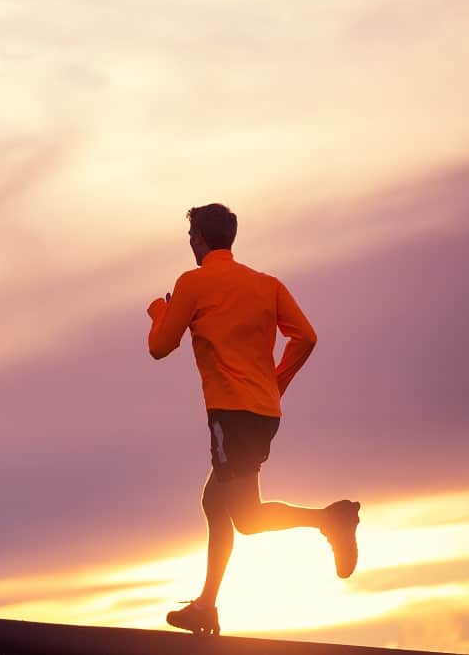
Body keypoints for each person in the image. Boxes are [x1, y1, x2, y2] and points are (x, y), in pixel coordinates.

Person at [146, 203, 360, 636]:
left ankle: (331, 519)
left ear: (202, 239)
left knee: (245, 517)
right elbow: (307, 337)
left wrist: (159, 312)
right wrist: (275, 383)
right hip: (263, 412)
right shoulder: (267, 284)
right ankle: (206, 605)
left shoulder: (193, 282)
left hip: (230, 414)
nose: (190, 245)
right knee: (214, 502)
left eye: (191, 238)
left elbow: (159, 346)